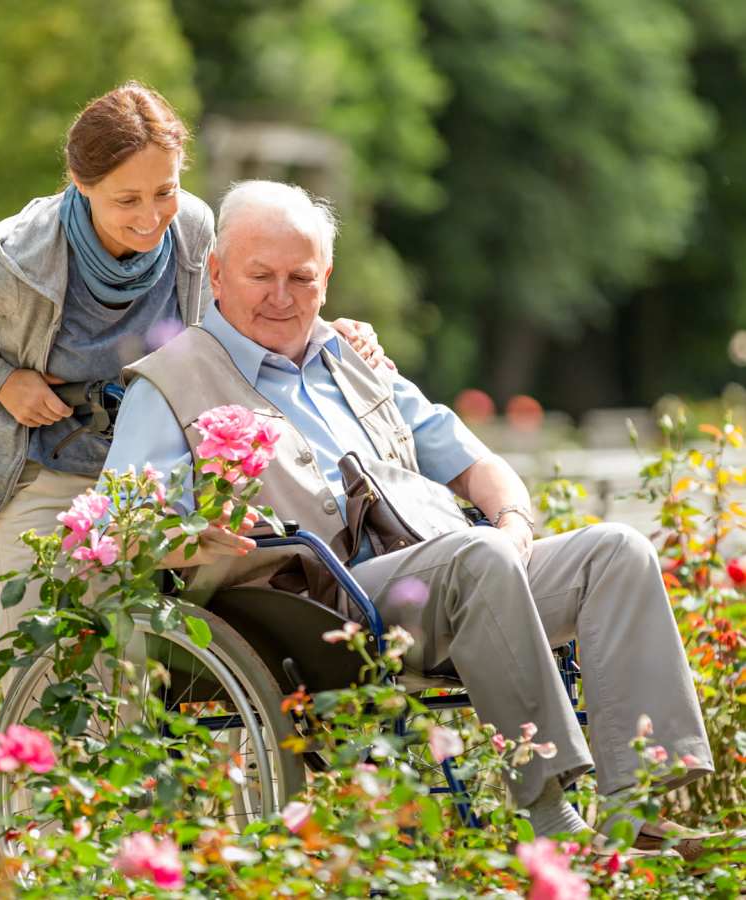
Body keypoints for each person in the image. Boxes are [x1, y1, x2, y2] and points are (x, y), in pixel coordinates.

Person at [103, 179, 719, 858]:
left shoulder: (354, 360)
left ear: (326, 279)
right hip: (313, 609)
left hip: (443, 579)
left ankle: (638, 814)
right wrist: (194, 537)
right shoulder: (171, 383)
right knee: (477, 557)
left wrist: (513, 522)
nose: (281, 296)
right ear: (217, 273)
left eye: (300, 277)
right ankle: (551, 819)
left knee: (616, 551)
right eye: (260, 275)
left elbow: (479, 464)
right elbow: (124, 525)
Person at [0, 83, 386, 638]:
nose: (151, 218)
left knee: (137, 668)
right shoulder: (20, 262)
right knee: (48, 661)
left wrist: (323, 331)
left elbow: (238, 309)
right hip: (40, 472)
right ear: (82, 184)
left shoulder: (191, 227)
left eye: (164, 191)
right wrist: (2, 381)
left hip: (145, 474)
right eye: (127, 200)